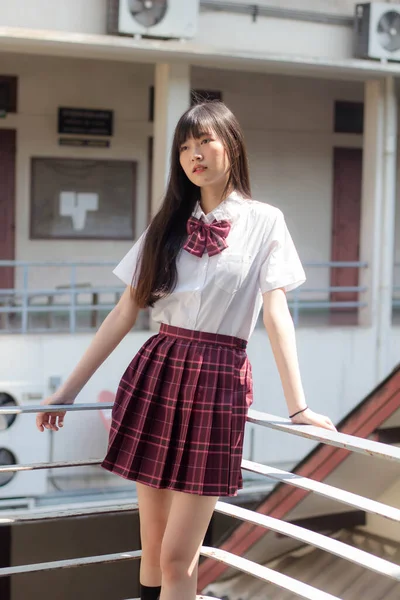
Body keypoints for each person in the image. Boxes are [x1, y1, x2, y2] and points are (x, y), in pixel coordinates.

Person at [36, 101, 336, 600]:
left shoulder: (265, 222)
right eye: (184, 147)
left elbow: (276, 314)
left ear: (231, 145)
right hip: (157, 372)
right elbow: (123, 314)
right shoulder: (167, 225)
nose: (194, 155)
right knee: (152, 549)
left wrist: (298, 406)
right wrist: (66, 392)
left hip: (218, 382)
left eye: (205, 142)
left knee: (179, 557)